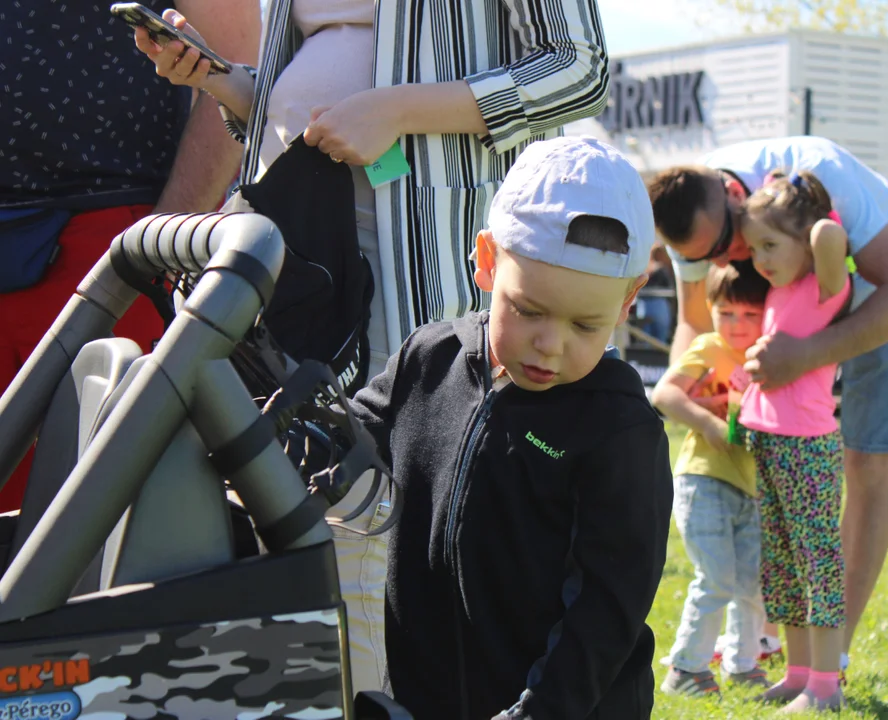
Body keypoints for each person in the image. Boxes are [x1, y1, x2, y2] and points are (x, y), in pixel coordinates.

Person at [133, 0, 610, 692]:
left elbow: (579, 69)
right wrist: (223, 82)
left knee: (378, 517)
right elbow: (302, 98)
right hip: (305, 260)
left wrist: (398, 109)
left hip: (431, 259)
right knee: (306, 513)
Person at [346, 137, 672, 719]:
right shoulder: (430, 357)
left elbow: (607, 607)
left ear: (628, 301)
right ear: (489, 261)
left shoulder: (619, 430)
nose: (551, 344)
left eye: (585, 324)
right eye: (529, 310)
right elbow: (350, 436)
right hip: (429, 696)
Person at [647, 136, 888, 675]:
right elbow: (693, 321)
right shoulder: (693, 219)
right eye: (707, 258)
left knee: (866, 460)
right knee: (775, 489)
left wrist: (804, 355)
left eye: (728, 247)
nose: (730, 263)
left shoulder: (821, 173)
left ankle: (835, 653)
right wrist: (695, 393)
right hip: (797, 309)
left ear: (739, 196)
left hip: (886, 291)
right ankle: (782, 648)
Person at [0, 0, 260, 513]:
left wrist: (154, 246)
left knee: (83, 533)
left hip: (104, 256)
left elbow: (236, 60)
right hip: (99, 251)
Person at [736, 172, 851, 712]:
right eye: (754, 246)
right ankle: (799, 671)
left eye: (771, 244)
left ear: (803, 240)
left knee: (816, 560)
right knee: (781, 563)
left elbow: (830, 235)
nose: (760, 258)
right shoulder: (780, 291)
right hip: (770, 440)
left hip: (807, 446)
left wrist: (808, 208)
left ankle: (826, 683)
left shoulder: (824, 286)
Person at [654, 263, 771, 698]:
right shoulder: (708, 347)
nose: (737, 325)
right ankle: (686, 668)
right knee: (717, 578)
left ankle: (743, 665)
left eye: (749, 314)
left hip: (752, 485)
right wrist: (707, 422)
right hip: (703, 479)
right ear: (711, 310)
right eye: (726, 313)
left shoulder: (769, 357)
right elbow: (664, 393)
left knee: (752, 584)